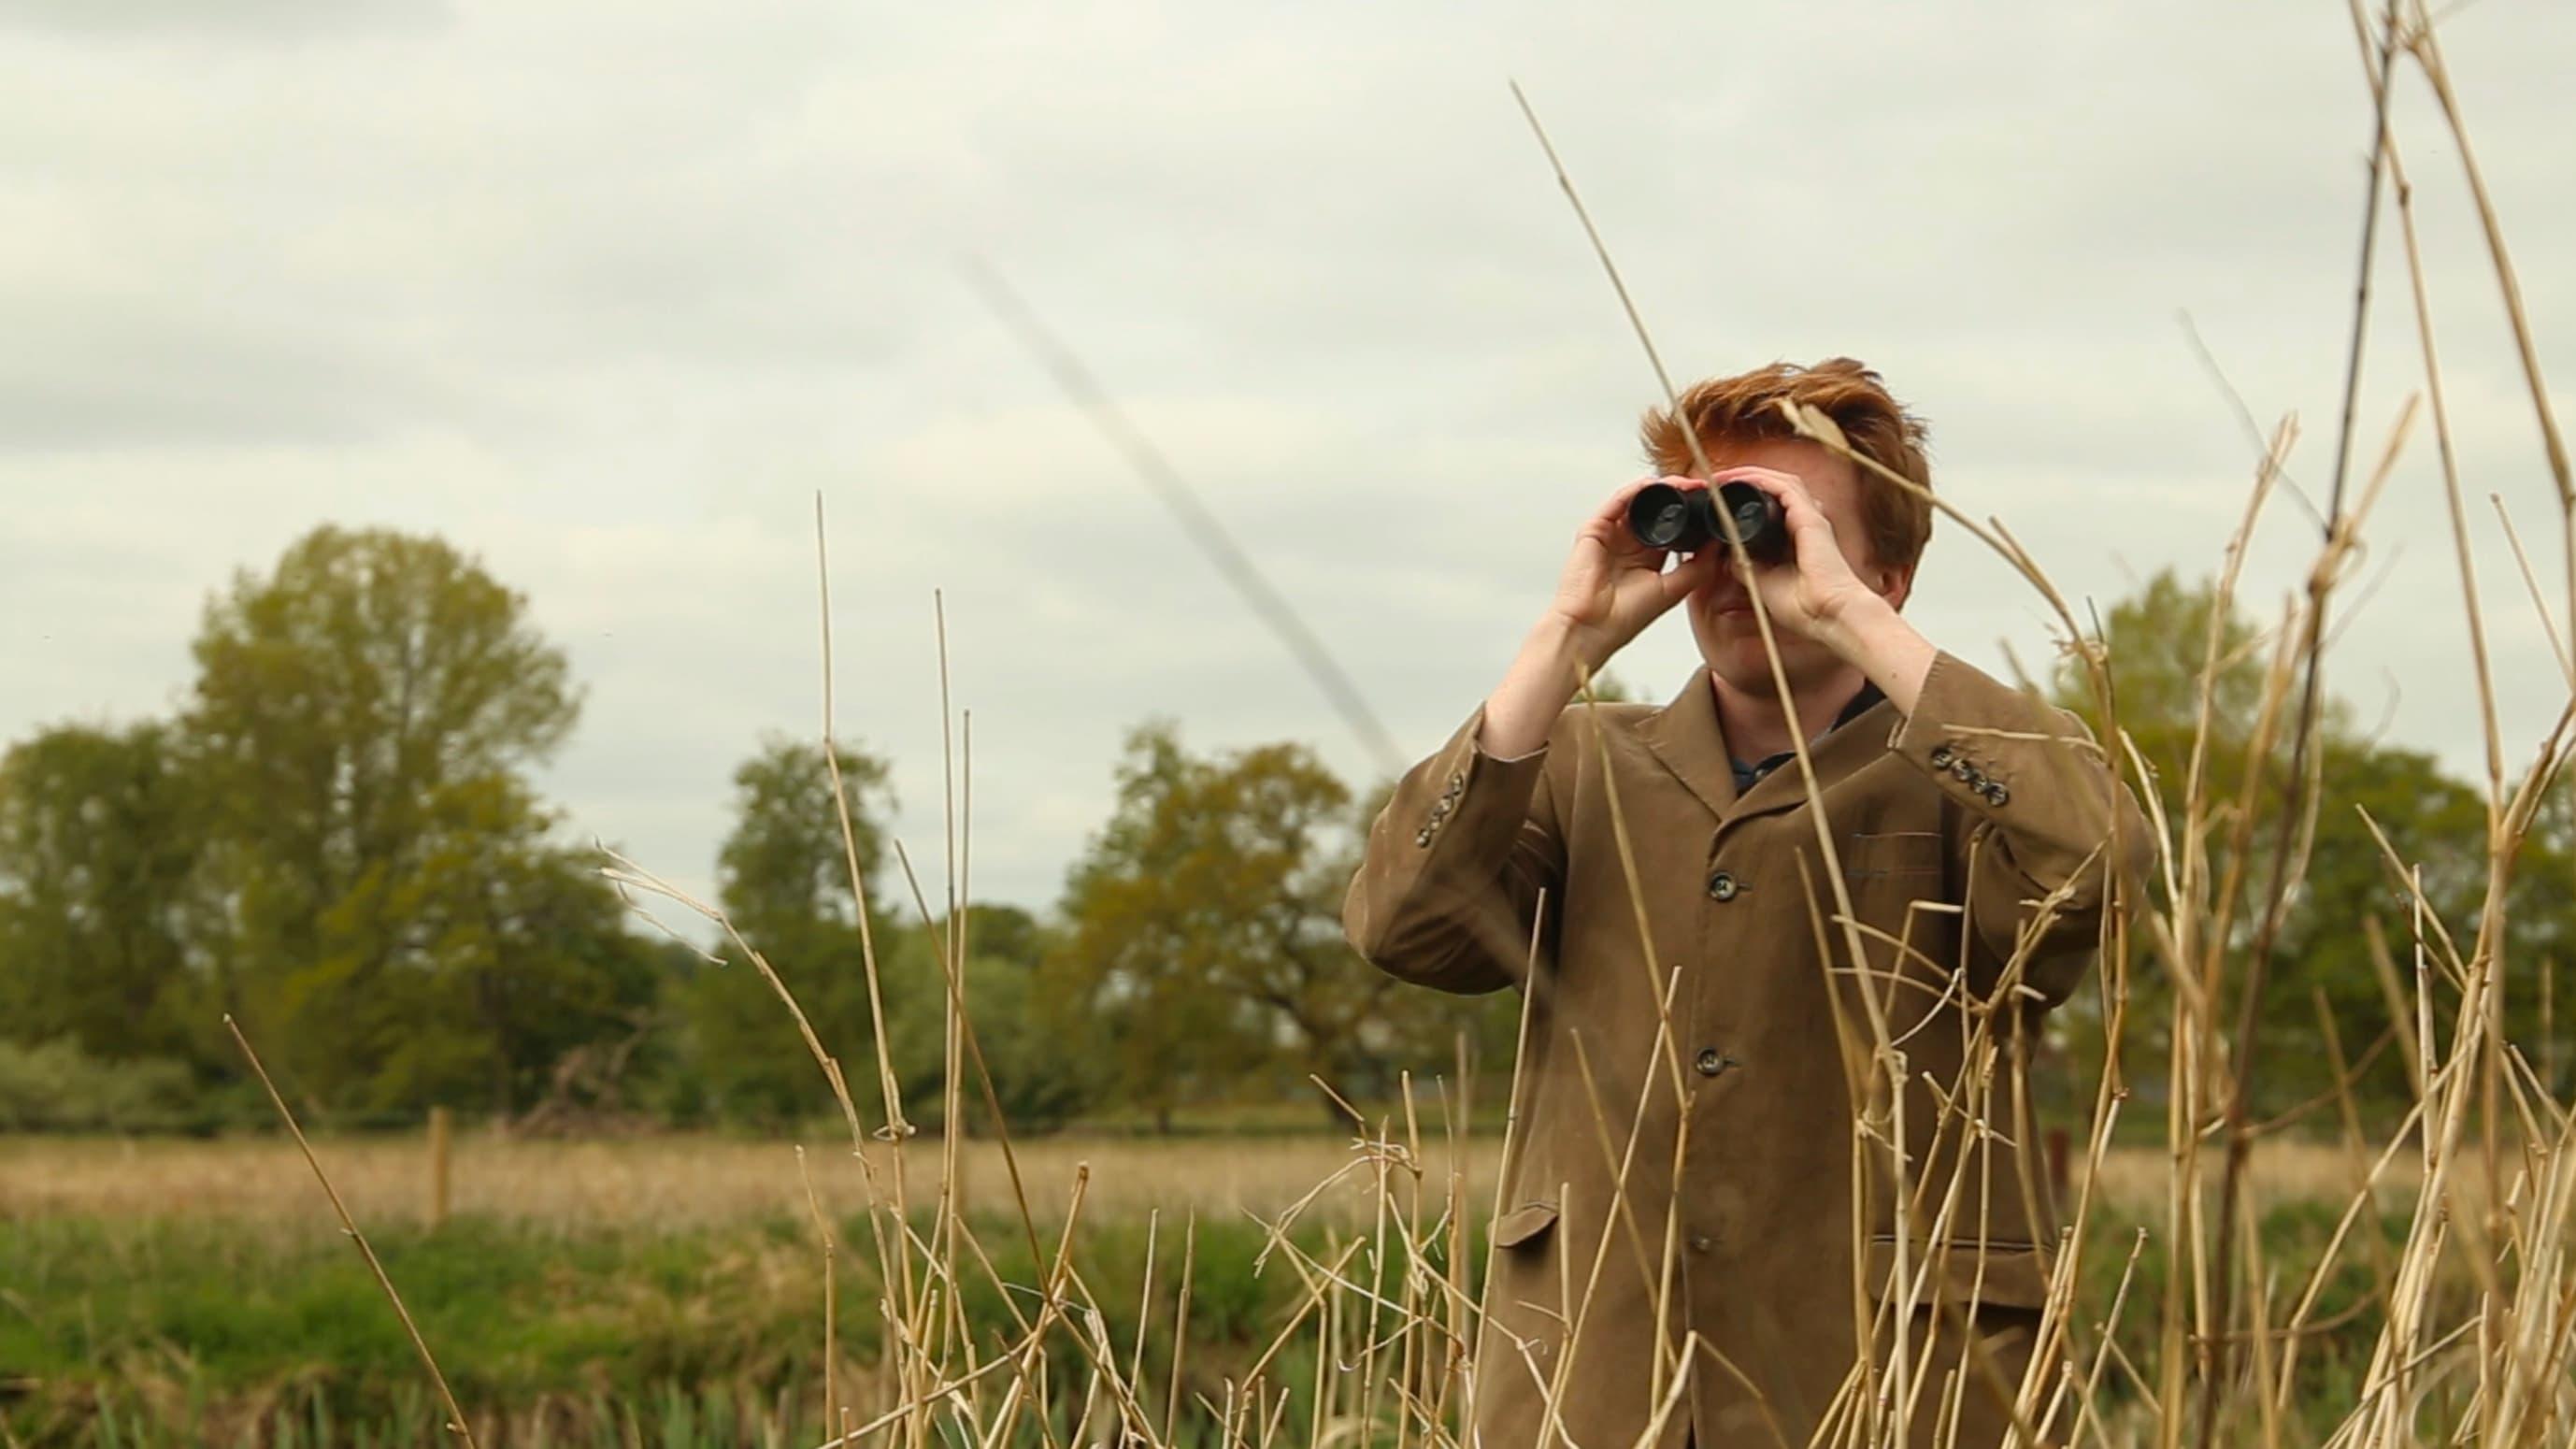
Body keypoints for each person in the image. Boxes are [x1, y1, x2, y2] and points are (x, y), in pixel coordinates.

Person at [1343, 360, 2149, 1449]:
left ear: (1889, 574)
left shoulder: (1963, 774)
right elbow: (1401, 924)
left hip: (1891, 1378)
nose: (1734, 572)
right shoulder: (1581, 762)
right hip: (1601, 1374)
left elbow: (2103, 861)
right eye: (1707, 528)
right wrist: (1564, 640)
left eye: (1776, 528)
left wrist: (1843, 614)